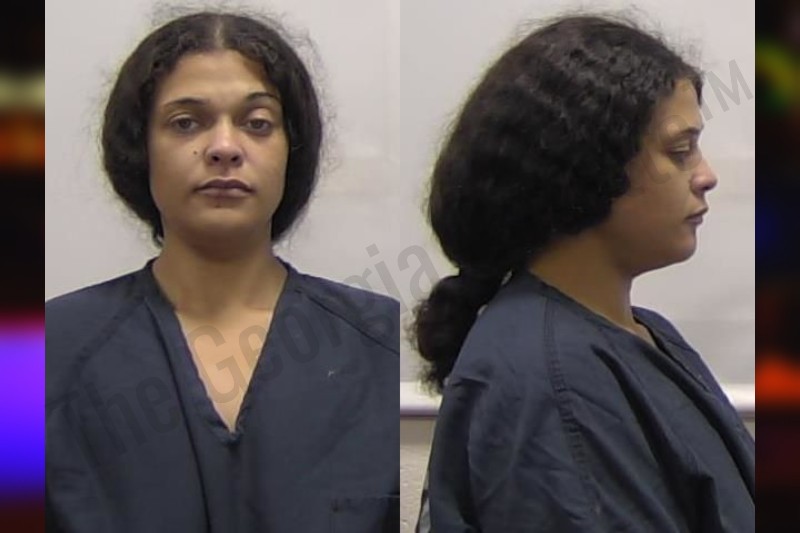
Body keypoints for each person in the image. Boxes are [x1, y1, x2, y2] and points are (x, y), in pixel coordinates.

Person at [45, 11, 399, 532]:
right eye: (186, 122)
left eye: (257, 123)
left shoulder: (380, 342)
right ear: (139, 149)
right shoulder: (41, 353)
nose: (225, 148)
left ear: (293, 150)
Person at [412, 14, 754, 532]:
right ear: (586, 165)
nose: (706, 175)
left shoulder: (645, 334)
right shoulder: (548, 380)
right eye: (680, 151)